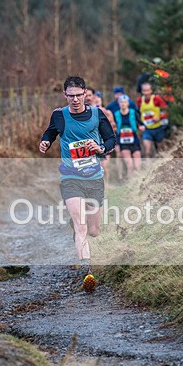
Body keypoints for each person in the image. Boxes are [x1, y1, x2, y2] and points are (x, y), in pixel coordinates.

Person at [39, 76, 116, 283]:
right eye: (70, 96)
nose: (74, 100)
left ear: (85, 94)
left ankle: (78, 226)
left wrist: (100, 148)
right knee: (81, 226)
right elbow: (50, 132)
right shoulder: (59, 115)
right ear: (65, 95)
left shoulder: (97, 114)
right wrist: (45, 142)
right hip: (70, 177)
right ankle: (87, 272)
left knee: (94, 230)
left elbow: (111, 140)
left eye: (78, 95)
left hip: (94, 177)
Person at [137, 82, 169, 158]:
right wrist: (139, 125)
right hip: (147, 129)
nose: (146, 93)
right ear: (142, 91)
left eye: (148, 90)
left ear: (151, 91)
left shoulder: (156, 98)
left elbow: (166, 110)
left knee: (160, 150)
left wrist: (159, 117)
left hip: (158, 127)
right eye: (144, 91)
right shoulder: (139, 100)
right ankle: (148, 168)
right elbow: (137, 114)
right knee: (147, 150)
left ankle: (160, 165)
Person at [113, 94, 142, 177]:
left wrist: (142, 126)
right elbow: (114, 128)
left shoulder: (133, 112)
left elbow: (140, 122)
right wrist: (116, 143)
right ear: (119, 104)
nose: (123, 104)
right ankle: (130, 183)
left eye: (125, 102)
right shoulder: (116, 114)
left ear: (128, 103)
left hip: (134, 140)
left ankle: (139, 180)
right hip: (122, 141)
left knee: (137, 166)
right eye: (121, 102)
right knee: (130, 165)